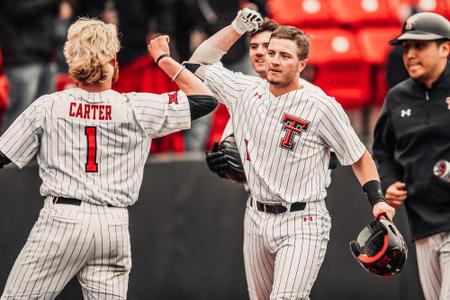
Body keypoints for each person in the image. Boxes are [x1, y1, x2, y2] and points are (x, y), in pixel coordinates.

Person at [0, 17, 217, 299]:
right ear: (114, 66)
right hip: (113, 224)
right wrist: (163, 58)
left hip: (63, 219)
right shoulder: (135, 106)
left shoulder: (49, 105)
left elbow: (2, 155)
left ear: (72, 66)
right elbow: (204, 99)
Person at [189, 9, 396, 299]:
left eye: (284, 56)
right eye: (271, 52)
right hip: (257, 215)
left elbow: (359, 156)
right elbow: (196, 64)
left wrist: (378, 201)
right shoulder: (245, 90)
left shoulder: (321, 105)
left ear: (302, 64)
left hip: (303, 219)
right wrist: (235, 27)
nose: (273, 60)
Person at [373, 12, 450, 300]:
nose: (411, 54)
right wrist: (390, 182)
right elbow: (381, 151)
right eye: (406, 47)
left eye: (420, 46)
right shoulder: (397, 97)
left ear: (445, 48)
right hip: (422, 224)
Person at [0, 0, 59, 132]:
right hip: (21, 58)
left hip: (47, 55)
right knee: (19, 115)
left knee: (47, 115)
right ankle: (6, 152)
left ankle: (40, 153)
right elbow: (17, 11)